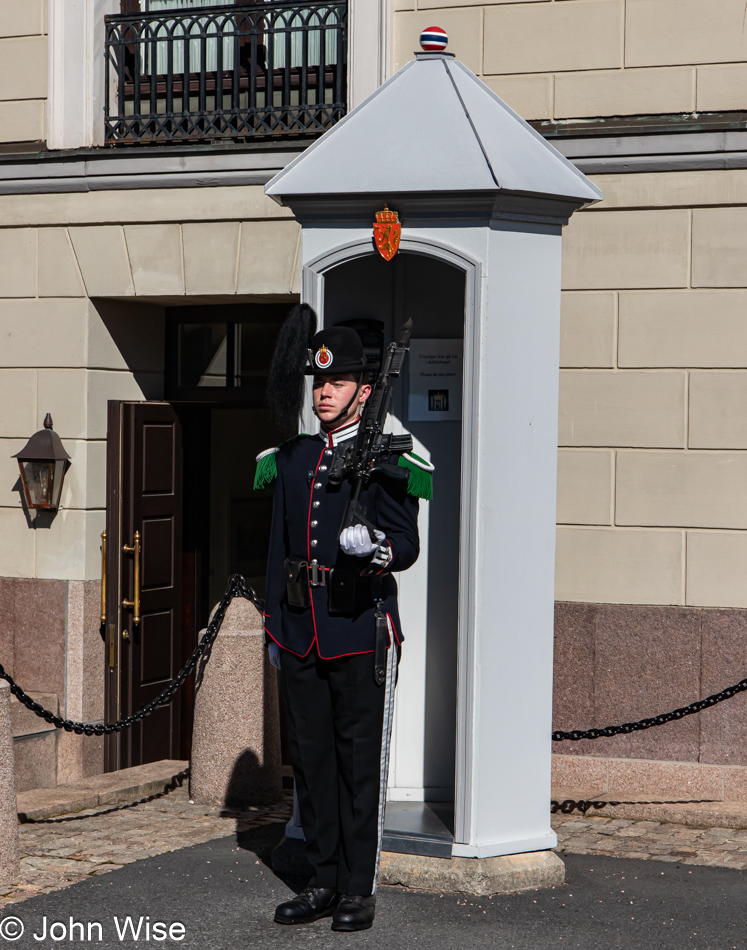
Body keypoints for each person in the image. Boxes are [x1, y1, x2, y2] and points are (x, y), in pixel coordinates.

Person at [254, 320, 433, 932]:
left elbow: (407, 545)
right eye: (318, 381)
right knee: (311, 762)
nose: (323, 391)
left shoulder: (389, 457)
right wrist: (275, 628)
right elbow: (278, 549)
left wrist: (376, 546)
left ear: (362, 389)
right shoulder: (293, 458)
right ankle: (322, 879)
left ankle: (358, 887)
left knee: (357, 763)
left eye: (337, 381)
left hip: (357, 627)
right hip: (302, 628)